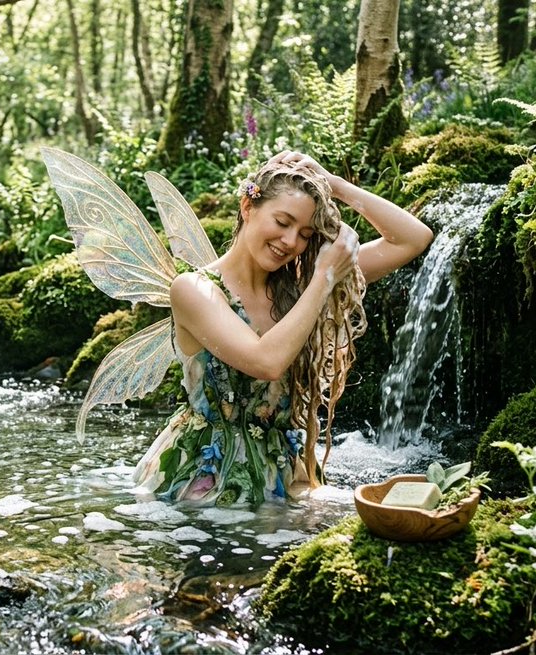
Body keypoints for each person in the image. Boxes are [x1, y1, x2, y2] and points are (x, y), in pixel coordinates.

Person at [131, 150, 434, 505]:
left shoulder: (298, 288)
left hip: (285, 473)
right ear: (248, 206)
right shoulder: (194, 290)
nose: (291, 242)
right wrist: (326, 276)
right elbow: (267, 361)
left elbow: (413, 238)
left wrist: (333, 186)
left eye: (305, 233)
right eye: (282, 221)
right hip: (203, 478)